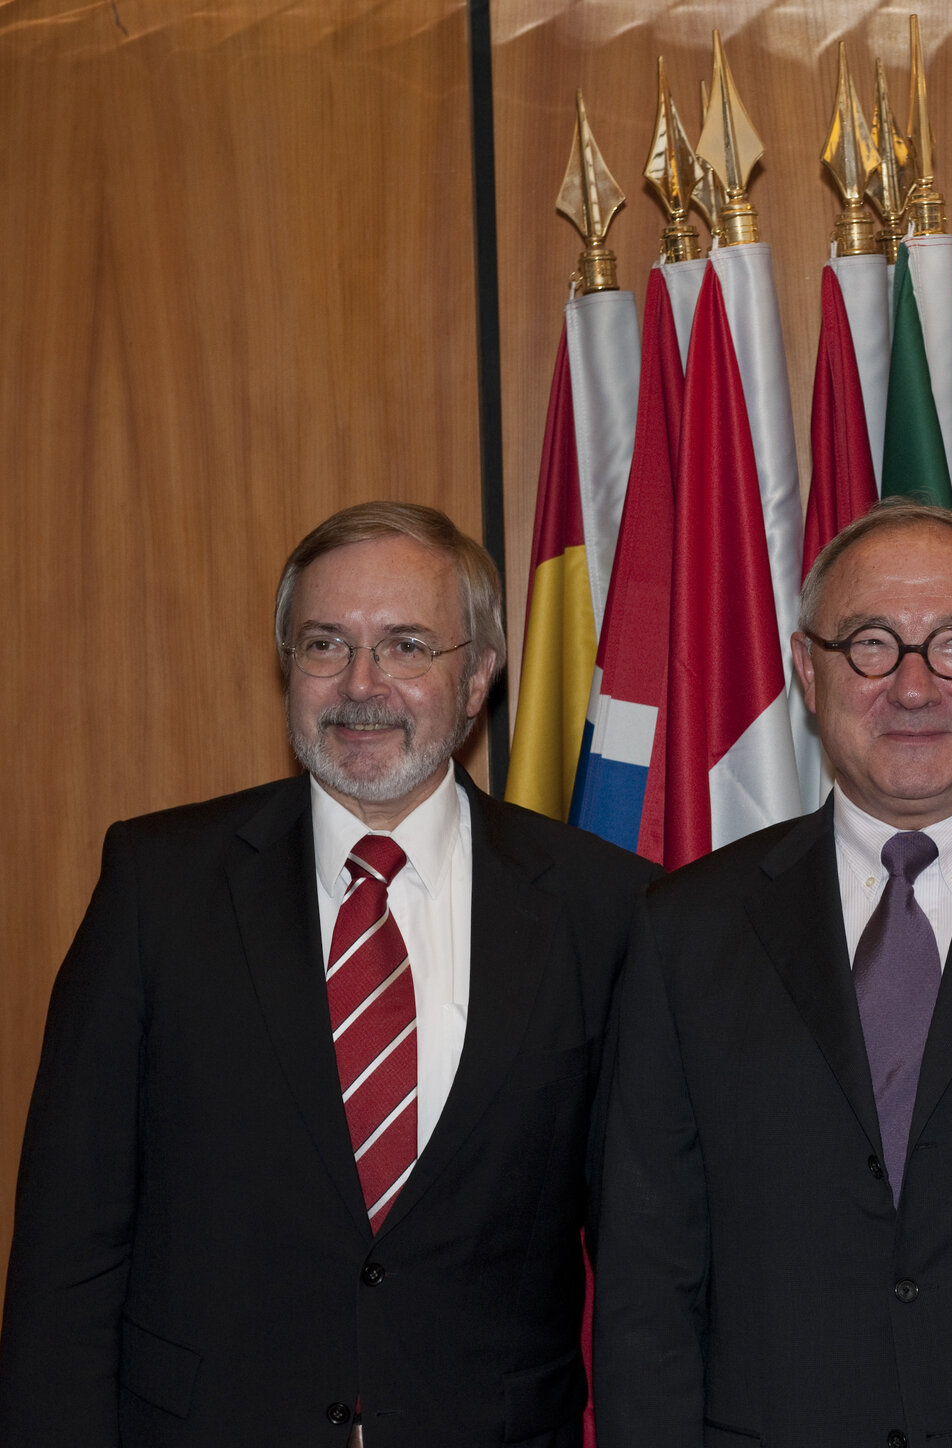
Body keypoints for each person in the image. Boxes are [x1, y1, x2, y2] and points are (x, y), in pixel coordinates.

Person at [0, 502, 657, 1447]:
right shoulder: (158, 886)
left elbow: (647, 1263)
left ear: (477, 677)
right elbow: (69, 1246)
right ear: (287, 667)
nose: (361, 685)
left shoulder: (603, 910)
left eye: (406, 647)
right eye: (324, 644)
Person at [593, 499, 952, 1447]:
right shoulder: (686, 929)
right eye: (870, 643)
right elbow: (646, 1281)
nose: (914, 687)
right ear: (806, 671)